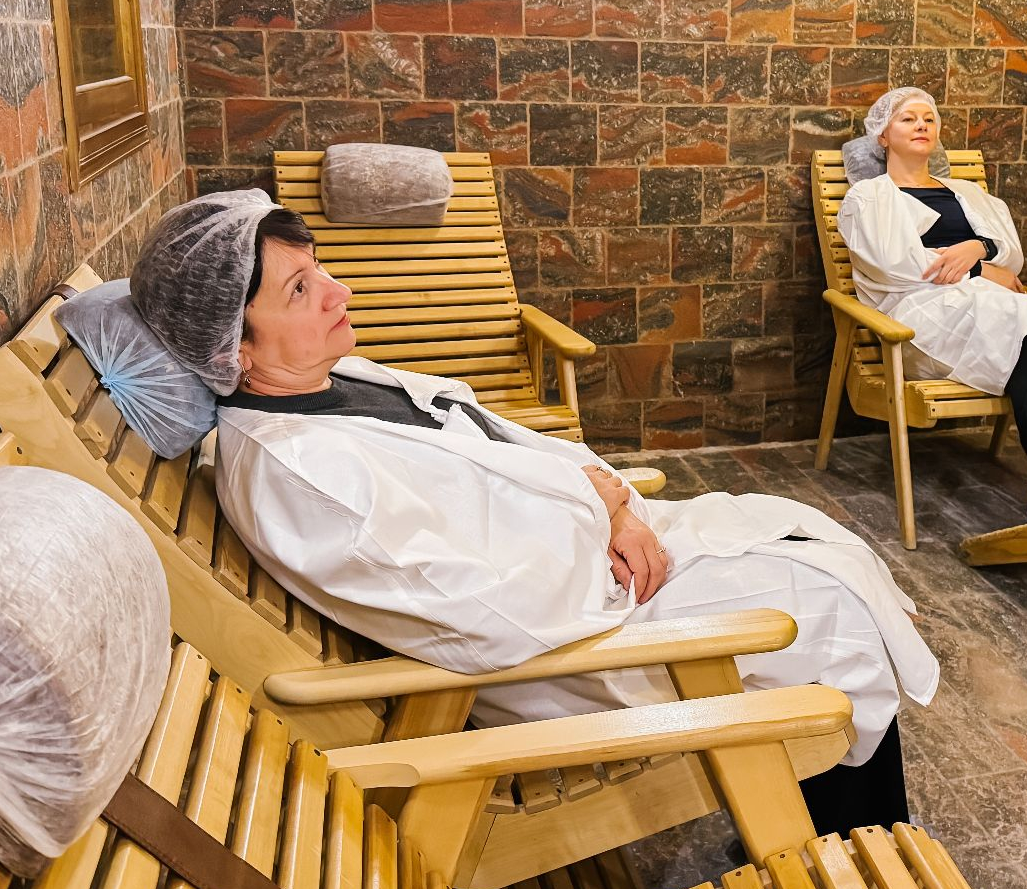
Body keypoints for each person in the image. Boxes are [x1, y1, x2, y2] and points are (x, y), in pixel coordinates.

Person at [129, 190, 936, 837]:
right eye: (300, 290)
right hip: (569, 644)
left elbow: (498, 444)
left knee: (808, 536)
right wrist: (601, 513)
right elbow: (478, 611)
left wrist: (615, 507)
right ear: (232, 348)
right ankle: (855, 858)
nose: (340, 292)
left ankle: (832, 826)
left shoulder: (335, 380)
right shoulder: (298, 476)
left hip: (602, 557)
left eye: (319, 269)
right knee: (831, 611)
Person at [836, 87, 1027, 523]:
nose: (922, 124)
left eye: (929, 118)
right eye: (908, 119)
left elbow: (1011, 254)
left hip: (988, 305)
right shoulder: (869, 197)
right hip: (921, 320)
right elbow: (896, 265)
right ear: (883, 137)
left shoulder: (967, 192)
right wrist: (982, 269)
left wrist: (978, 248)